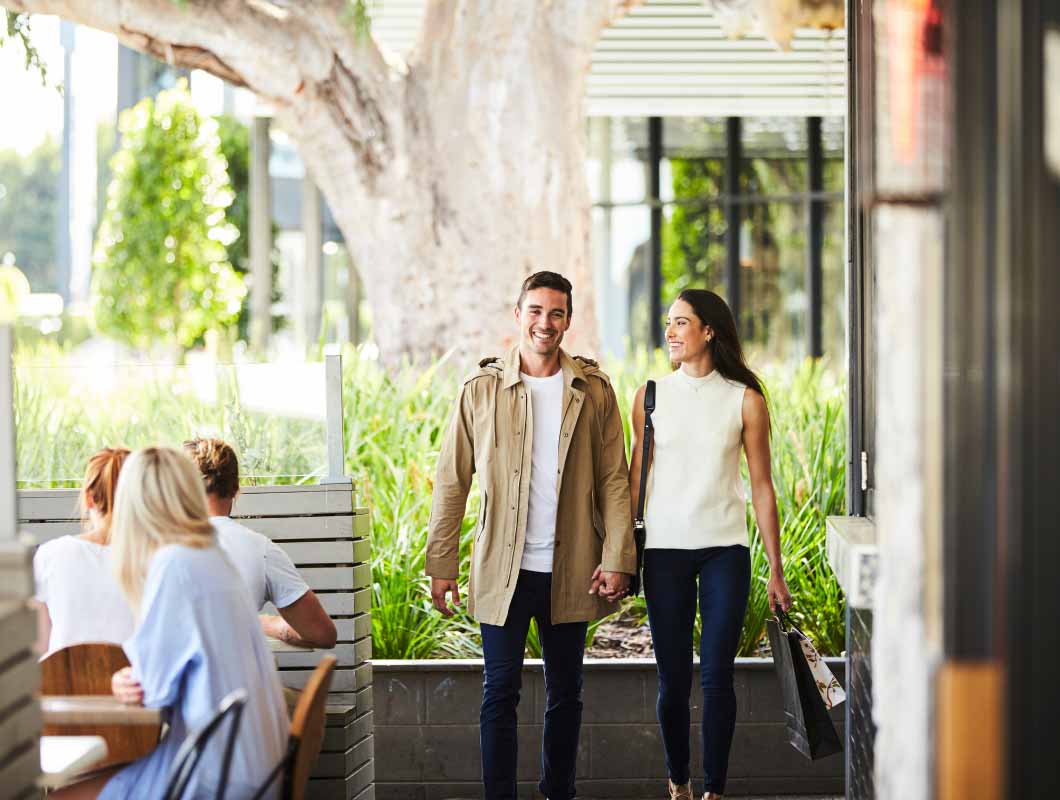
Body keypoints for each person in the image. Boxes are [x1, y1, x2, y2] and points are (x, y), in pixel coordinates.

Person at [426, 270, 636, 800]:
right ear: (518, 315)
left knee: (567, 693)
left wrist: (618, 557)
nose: (546, 323)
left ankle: (557, 792)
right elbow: (453, 480)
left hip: (571, 568)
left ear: (569, 320)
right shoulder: (480, 390)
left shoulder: (592, 389)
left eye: (557, 313)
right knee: (500, 693)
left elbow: (614, 479)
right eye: (536, 311)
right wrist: (442, 565)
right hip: (504, 568)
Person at [52, 446, 289, 800]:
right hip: (252, 769)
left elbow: (152, 690)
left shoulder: (175, 564)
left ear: (135, 504)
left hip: (211, 774)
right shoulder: (211, 557)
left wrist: (125, 679)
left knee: (63, 794)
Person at [630, 289, 793, 800]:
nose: (671, 332)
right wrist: (621, 552)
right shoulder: (651, 395)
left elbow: (762, 485)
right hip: (664, 554)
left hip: (725, 550)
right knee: (672, 680)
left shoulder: (744, 398)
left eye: (682, 322)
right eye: (668, 323)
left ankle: (714, 791)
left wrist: (776, 568)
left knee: (718, 676)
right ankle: (678, 782)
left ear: (709, 331)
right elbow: (637, 476)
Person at [183, 438, 337, 649]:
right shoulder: (260, 550)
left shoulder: (158, 547)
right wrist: (261, 623)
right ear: (236, 489)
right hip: (239, 681)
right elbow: (322, 635)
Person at [33, 447, 135, 656]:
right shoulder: (159, 559)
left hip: (63, 685)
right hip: (135, 685)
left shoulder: (50, 555)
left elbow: (40, 647)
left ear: (89, 498)